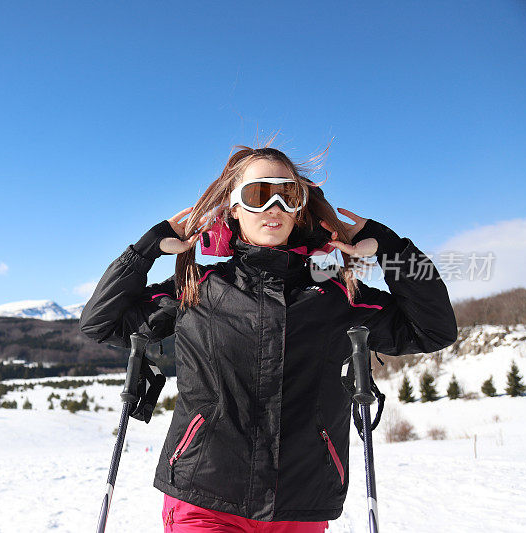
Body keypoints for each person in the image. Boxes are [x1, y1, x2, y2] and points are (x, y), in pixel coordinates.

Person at [79, 143, 458, 532]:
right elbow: (100, 322)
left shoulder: (337, 297)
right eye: (258, 194)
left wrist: (392, 250)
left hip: (300, 502)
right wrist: (145, 250)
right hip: (204, 497)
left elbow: (433, 330)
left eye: (287, 194)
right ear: (233, 208)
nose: (273, 207)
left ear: (300, 209)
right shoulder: (196, 290)